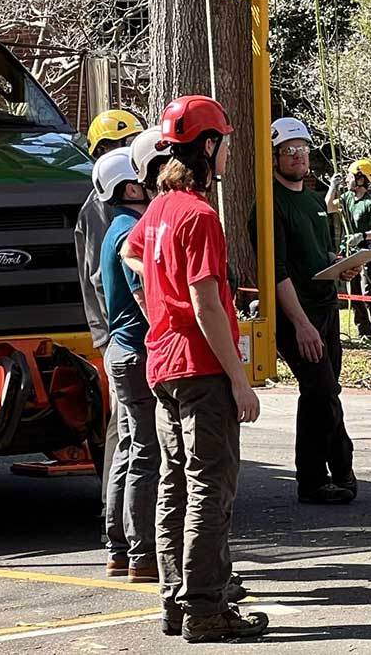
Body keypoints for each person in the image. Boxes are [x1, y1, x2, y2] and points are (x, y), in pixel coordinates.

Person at [122, 95, 268, 643]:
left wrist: (156, 306)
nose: (228, 152)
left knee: (173, 485)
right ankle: (205, 608)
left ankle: (175, 604)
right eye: (225, 142)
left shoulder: (158, 208)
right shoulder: (200, 214)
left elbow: (129, 257)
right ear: (208, 146)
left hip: (163, 366)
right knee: (210, 487)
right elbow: (207, 304)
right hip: (202, 369)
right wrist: (239, 379)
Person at [253, 118, 363, 505]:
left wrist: (342, 265)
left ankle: (338, 471)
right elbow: (277, 271)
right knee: (318, 389)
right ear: (274, 157)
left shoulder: (316, 200)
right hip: (296, 316)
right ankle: (315, 480)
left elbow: (321, 254)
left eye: (303, 149)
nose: (299, 157)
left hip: (326, 307)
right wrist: (300, 324)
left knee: (327, 391)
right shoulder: (268, 207)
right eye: (289, 151)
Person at [76, 108, 144, 578]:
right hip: (120, 335)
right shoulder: (104, 213)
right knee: (128, 441)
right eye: (113, 149)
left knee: (129, 441)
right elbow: (106, 279)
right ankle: (118, 538)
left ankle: (121, 540)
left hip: (117, 335)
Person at [92, 147, 159, 583]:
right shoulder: (131, 231)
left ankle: (117, 547)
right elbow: (144, 296)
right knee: (147, 453)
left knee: (127, 449)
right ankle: (142, 553)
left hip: (119, 349)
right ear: (132, 186)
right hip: (138, 349)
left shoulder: (113, 227)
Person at [326, 158, 371, 344]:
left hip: (367, 252)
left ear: (361, 179)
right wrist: (332, 187)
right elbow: (329, 207)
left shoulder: (370, 203)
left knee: (369, 294)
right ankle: (365, 334)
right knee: (354, 294)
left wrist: (362, 236)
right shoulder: (347, 198)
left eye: (350, 176)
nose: (347, 179)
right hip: (350, 252)